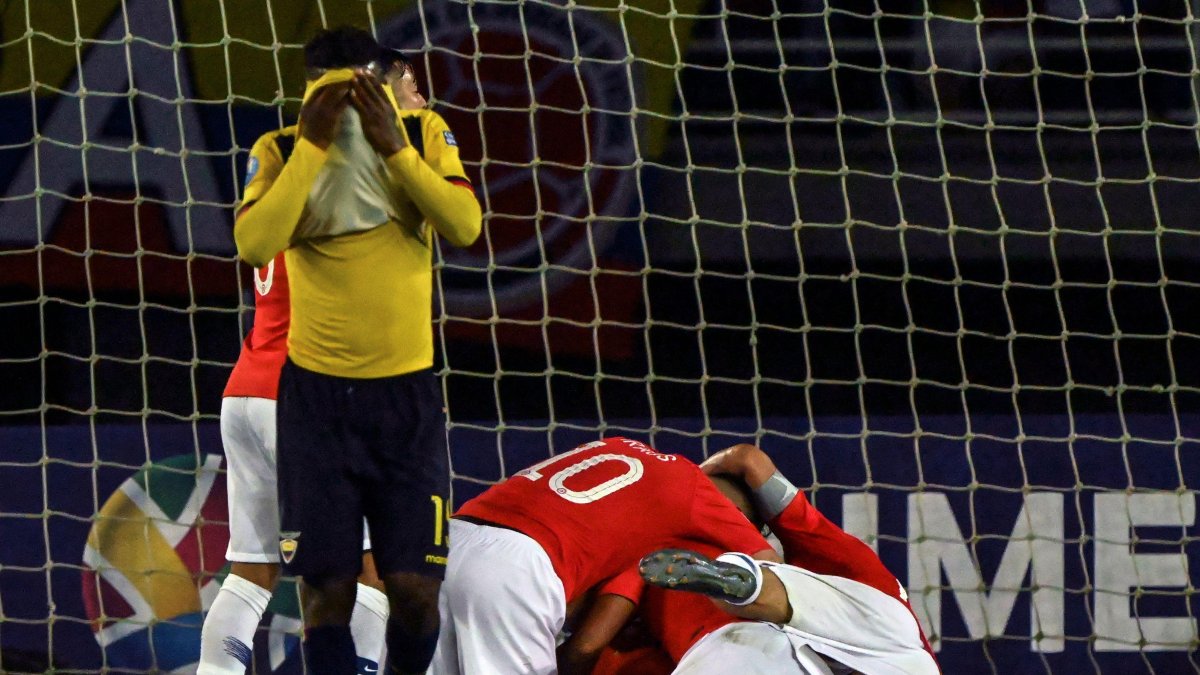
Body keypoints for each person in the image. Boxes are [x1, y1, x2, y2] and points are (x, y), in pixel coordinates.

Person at [232, 25, 481, 675]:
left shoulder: (422, 132)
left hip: (405, 399)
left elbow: (464, 225)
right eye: (330, 92)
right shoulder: (282, 147)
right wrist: (313, 148)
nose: (346, 104)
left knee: (413, 590)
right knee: (327, 590)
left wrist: (397, 150)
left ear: (377, 83)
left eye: (358, 89)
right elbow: (254, 243)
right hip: (315, 401)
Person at [196, 39, 431, 671]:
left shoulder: (287, 173)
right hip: (309, 396)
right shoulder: (350, 187)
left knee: (250, 569)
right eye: (405, 82)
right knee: (372, 569)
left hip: (244, 390)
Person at [564, 444, 938, 674]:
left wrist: (684, 486)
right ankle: (747, 583)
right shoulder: (820, 545)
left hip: (730, 652)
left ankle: (747, 585)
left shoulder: (651, 554)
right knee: (793, 596)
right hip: (885, 648)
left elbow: (586, 644)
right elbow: (748, 457)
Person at [427, 436, 780, 675]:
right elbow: (770, 571)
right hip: (515, 570)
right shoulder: (689, 505)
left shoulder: (619, 447)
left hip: (447, 541)